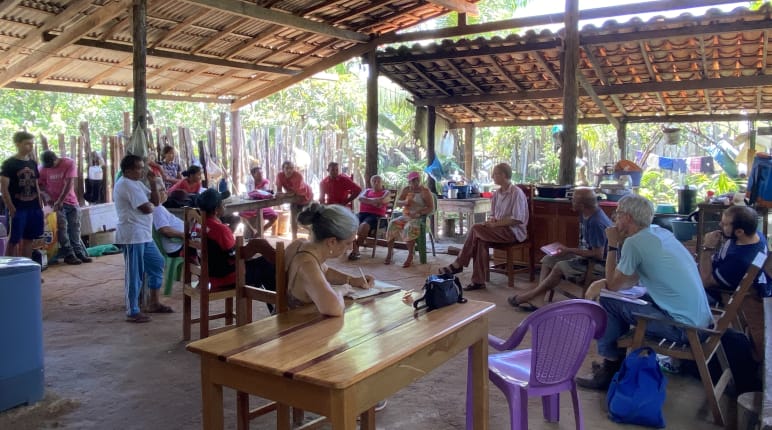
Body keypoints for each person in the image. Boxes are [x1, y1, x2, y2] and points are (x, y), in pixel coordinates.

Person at [577, 194, 712, 390]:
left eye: (618, 214)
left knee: (608, 300)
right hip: (701, 323)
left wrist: (613, 245)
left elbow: (614, 285)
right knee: (620, 296)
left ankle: (610, 366)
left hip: (685, 329)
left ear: (628, 218)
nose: (614, 219)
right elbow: (627, 281)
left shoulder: (635, 243)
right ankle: (614, 362)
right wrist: (605, 282)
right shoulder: (659, 232)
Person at [508, 188, 610, 310]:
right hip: (584, 257)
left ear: (582, 205)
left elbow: (598, 254)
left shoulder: (596, 223)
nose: (570, 201)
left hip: (598, 265)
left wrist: (569, 250)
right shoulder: (585, 214)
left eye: (573, 200)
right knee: (549, 259)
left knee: (559, 266)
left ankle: (530, 295)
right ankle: (538, 300)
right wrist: (567, 250)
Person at [438, 163, 528, 290]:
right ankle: (478, 282)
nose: (492, 176)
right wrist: (491, 222)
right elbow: (493, 215)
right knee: (480, 240)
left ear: (503, 175)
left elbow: (517, 219)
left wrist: (495, 224)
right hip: (498, 229)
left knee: (475, 228)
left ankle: (459, 264)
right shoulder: (497, 194)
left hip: (512, 232)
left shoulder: (516, 193)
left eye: (495, 174)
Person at [285, 203, 374, 316]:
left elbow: (324, 271)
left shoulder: (302, 245)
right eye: (348, 243)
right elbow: (334, 308)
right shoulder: (307, 265)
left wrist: (352, 280)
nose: (351, 247)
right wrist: (340, 291)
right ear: (332, 242)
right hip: (295, 327)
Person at [193, 188, 278, 306]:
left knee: (260, 264)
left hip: (209, 275)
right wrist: (251, 250)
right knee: (267, 265)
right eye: (222, 204)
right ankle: (277, 305)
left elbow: (187, 253)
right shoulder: (220, 229)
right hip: (226, 278)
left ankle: (274, 304)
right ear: (217, 210)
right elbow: (235, 255)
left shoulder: (197, 225)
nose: (225, 205)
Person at [114, 155, 173, 323]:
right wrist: (155, 202)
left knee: (157, 263)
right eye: (138, 168)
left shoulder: (137, 184)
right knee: (134, 273)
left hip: (144, 234)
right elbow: (148, 208)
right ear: (127, 171)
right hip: (132, 235)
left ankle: (153, 302)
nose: (142, 171)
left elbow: (155, 201)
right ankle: (132, 310)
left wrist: (153, 184)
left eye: (142, 167)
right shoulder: (125, 184)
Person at [700, 205, 768, 300]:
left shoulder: (739, 261)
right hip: (715, 270)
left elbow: (705, 282)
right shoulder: (755, 235)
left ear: (739, 232)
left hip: (717, 293)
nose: (720, 225)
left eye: (724, 224)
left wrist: (707, 248)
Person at [39, 150, 92, 265]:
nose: (49, 168)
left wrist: (60, 200)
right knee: (62, 230)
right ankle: (69, 254)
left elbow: (69, 184)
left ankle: (78, 252)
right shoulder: (42, 168)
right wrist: (48, 199)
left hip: (71, 202)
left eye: (51, 165)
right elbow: (40, 186)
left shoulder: (68, 163)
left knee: (75, 228)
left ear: (55, 159)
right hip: (54, 204)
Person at [0, 131, 44, 259]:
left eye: (31, 144)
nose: (30, 147)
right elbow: (4, 188)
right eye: (27, 144)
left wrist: (40, 202)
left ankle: (26, 270)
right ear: (18, 144)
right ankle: (9, 271)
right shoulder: (9, 164)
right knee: (14, 240)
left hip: (33, 207)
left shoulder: (33, 163)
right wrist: (11, 207)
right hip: (18, 207)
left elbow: (36, 184)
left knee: (29, 239)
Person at [384, 171, 434, 268]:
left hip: (419, 218)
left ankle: (410, 255)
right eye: (412, 181)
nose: (415, 183)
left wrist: (419, 213)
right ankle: (390, 252)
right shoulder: (407, 190)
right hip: (406, 216)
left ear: (420, 180)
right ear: (409, 181)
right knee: (392, 224)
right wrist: (405, 202)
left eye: (417, 180)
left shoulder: (425, 191)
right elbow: (398, 202)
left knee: (409, 227)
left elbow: (430, 207)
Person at [348, 174, 390, 260]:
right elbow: (360, 198)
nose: (376, 183)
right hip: (362, 213)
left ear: (382, 183)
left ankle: (356, 250)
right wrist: (375, 201)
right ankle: (355, 249)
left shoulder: (386, 192)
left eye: (378, 181)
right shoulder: (367, 191)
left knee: (364, 226)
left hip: (377, 216)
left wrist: (368, 201)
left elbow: (384, 200)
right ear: (371, 183)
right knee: (348, 222)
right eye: (374, 181)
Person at [275, 160, 313, 239]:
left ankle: (312, 231)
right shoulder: (280, 175)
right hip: (294, 199)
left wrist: (284, 195)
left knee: (304, 220)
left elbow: (295, 193)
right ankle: (294, 238)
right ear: (283, 169)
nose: (289, 170)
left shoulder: (298, 176)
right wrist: (279, 194)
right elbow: (279, 189)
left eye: (291, 168)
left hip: (306, 197)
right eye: (287, 168)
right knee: (293, 219)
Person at [151, 180, 184, 257]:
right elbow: (165, 230)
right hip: (176, 246)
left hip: (179, 243)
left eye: (165, 189)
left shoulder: (159, 207)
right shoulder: (158, 209)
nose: (166, 192)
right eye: (162, 190)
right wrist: (183, 234)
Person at [244, 165, 278, 234]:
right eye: (259, 174)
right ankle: (253, 232)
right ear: (253, 175)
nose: (261, 175)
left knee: (274, 216)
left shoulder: (265, 182)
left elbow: (265, 194)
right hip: (250, 207)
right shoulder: (249, 182)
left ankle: (259, 233)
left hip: (262, 207)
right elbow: (249, 194)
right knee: (241, 214)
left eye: (262, 173)